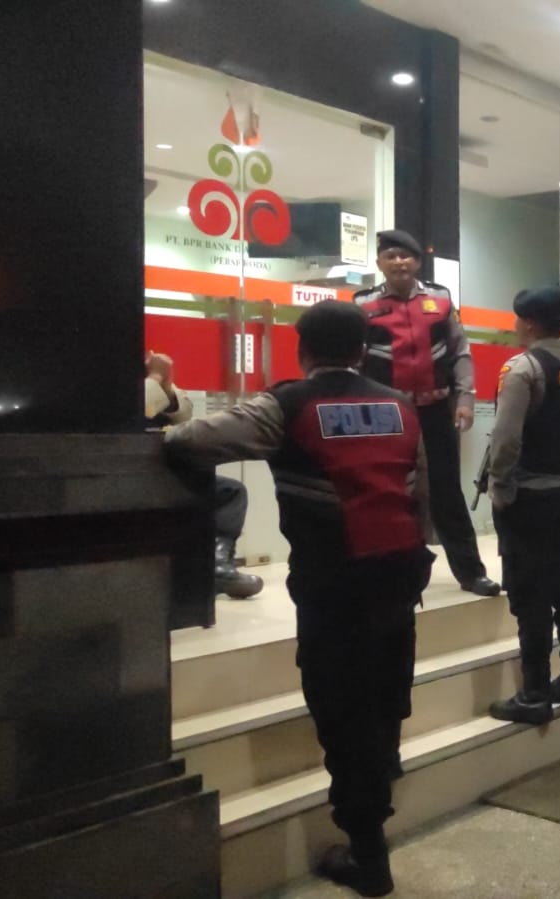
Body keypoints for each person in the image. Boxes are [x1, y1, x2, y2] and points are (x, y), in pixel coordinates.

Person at [164, 301, 433, 897]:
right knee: (386, 693)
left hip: (335, 585)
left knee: (342, 710)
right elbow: (419, 496)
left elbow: (190, 439)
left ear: (301, 349)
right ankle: (382, 778)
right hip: (400, 574)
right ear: (362, 350)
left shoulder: (286, 405)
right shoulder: (401, 405)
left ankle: (368, 856)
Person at [354, 229, 500, 597]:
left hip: (436, 409)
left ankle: (471, 573)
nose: (399, 262)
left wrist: (466, 399)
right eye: (391, 256)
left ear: (418, 262)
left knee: (446, 492)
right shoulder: (363, 304)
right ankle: (391, 573)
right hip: (387, 414)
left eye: (406, 255)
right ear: (379, 263)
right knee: (388, 491)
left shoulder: (440, 298)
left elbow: (460, 352)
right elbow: (355, 360)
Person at [485, 287, 560, 725]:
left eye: (518, 319)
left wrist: (499, 485)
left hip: (527, 496)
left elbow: (506, 439)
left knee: (529, 591)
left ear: (529, 323)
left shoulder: (522, 369)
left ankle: (534, 693)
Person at [144, 350, 263, 599]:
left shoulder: (150, 377)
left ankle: (218, 564)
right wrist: (154, 378)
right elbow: (142, 408)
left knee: (230, 491)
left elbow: (184, 413)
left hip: (159, 467)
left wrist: (165, 384)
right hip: (127, 474)